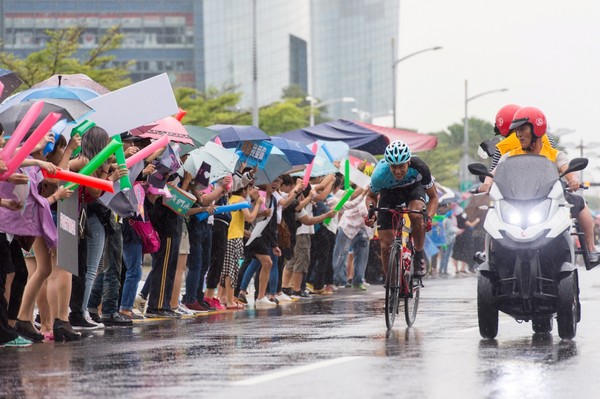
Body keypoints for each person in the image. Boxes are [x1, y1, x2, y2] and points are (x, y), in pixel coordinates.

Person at [479, 106, 599, 264]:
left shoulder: (554, 154)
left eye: (522, 129)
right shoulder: (509, 155)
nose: (519, 134)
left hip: (549, 199)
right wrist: (487, 183)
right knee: (494, 212)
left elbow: (568, 169)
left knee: (581, 205)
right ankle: (490, 252)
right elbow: (493, 172)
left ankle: (590, 249)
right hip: (516, 200)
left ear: (536, 130)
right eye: (517, 131)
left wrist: (573, 179)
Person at [366, 140, 438, 278]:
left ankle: (418, 255)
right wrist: (371, 213)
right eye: (394, 167)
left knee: (416, 215)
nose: (398, 171)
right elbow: (370, 196)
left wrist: (428, 218)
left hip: (413, 190)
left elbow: (433, 197)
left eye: (401, 167)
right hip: (389, 194)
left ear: (408, 162)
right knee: (385, 245)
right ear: (388, 165)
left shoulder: (420, 167)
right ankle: (390, 282)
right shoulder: (379, 174)